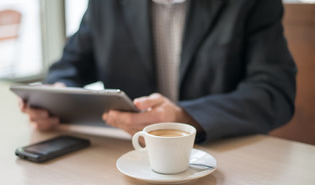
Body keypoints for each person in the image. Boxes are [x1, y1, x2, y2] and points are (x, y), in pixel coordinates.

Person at [20, 0, 296, 144]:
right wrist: (55, 96)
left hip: (227, 160)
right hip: (130, 161)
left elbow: (275, 93)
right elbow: (69, 66)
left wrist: (185, 117)